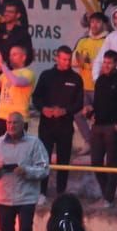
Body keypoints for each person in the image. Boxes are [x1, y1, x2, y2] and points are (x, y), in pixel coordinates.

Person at [32, 46, 83, 199]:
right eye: (63, 59)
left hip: (65, 126)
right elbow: (36, 98)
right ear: (56, 58)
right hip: (47, 125)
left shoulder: (76, 78)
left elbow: (79, 103)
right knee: (43, 159)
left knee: (64, 160)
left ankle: (61, 192)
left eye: (69, 59)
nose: (67, 63)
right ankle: (41, 192)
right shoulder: (46, 75)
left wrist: (65, 111)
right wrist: (43, 109)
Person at [87, 51, 117, 207]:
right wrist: (91, 113)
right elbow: (98, 103)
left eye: (109, 63)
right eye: (104, 62)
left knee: (112, 163)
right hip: (98, 126)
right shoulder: (100, 81)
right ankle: (106, 193)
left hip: (112, 127)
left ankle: (108, 198)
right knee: (96, 162)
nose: (106, 66)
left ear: (116, 63)